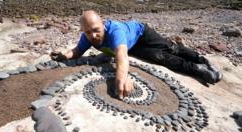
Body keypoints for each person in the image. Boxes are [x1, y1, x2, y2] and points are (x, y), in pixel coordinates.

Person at [51, 10, 222, 99]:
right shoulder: (87, 36)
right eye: (88, 32)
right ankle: (198, 70)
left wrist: (121, 79)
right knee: (162, 58)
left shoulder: (115, 30)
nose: (93, 35)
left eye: (96, 30)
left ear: (102, 24)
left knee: (171, 48)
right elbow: (77, 51)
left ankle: (202, 60)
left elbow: (121, 57)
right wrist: (63, 56)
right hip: (132, 46)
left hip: (141, 33)